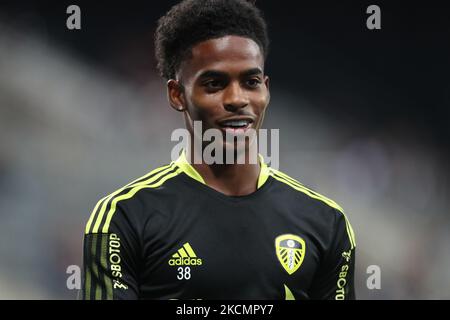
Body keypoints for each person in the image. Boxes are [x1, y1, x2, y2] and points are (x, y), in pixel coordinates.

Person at [80, 0, 356, 300]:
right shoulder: (124, 218)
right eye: (214, 83)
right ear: (177, 94)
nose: (237, 99)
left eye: (251, 82)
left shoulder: (326, 223)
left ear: (266, 89)